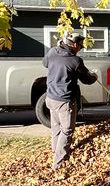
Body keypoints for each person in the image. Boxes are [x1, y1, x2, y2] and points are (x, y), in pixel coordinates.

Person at [42, 31, 98, 171]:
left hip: (50, 97)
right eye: (80, 45)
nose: (81, 48)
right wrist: (94, 76)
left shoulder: (53, 51)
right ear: (73, 44)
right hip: (64, 100)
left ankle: (55, 151)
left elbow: (45, 63)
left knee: (56, 127)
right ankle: (58, 164)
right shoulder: (75, 61)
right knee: (67, 130)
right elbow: (87, 80)